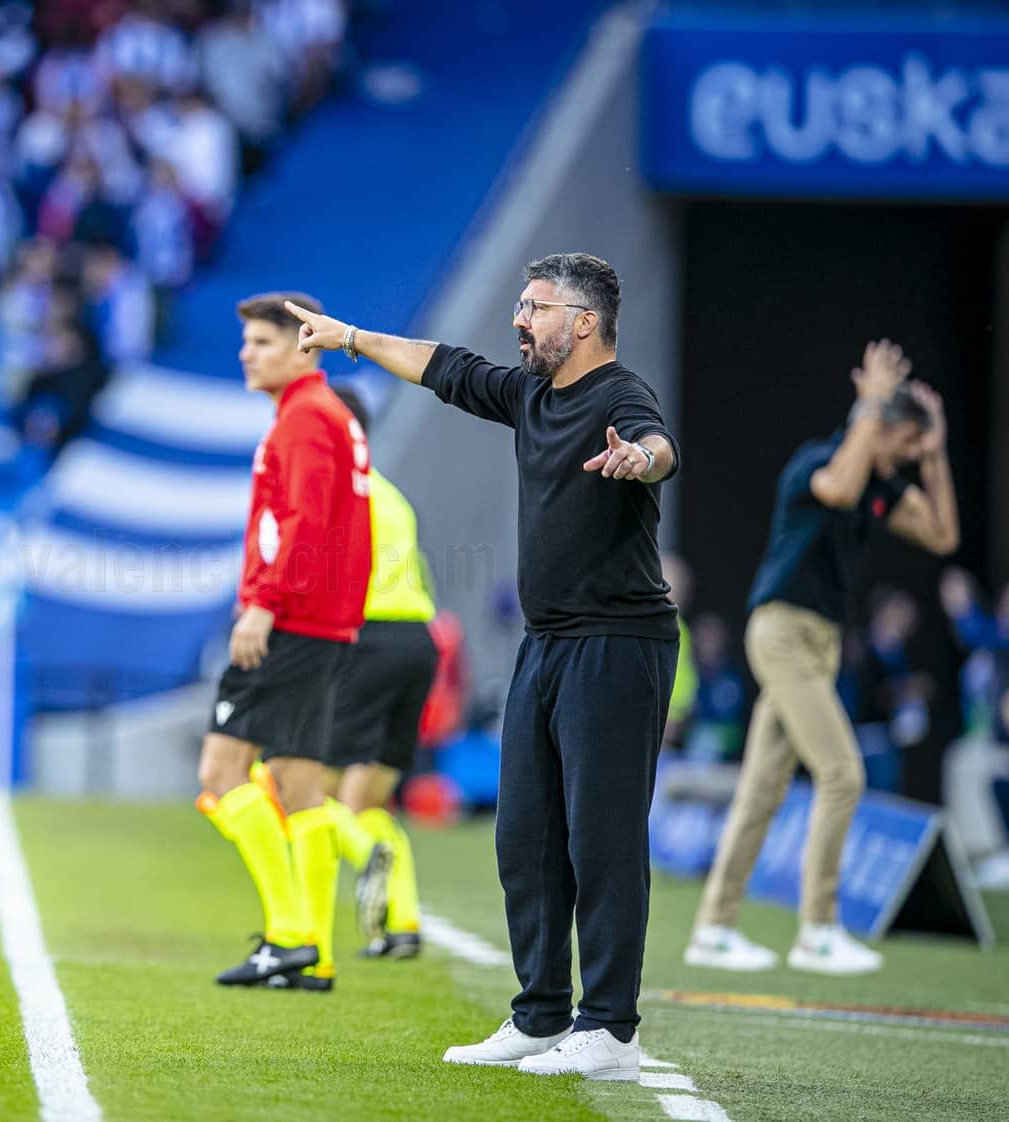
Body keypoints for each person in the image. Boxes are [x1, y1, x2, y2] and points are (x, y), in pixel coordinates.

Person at [287, 252, 679, 1079]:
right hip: (544, 643)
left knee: (601, 840)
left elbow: (657, 446)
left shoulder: (620, 395)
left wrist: (640, 461)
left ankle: (610, 1030)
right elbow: (443, 367)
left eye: (534, 307)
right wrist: (351, 337)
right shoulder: (531, 392)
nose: (518, 319)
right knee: (525, 835)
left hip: (618, 642)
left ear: (582, 323)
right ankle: (540, 1016)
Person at [687, 340, 959, 976]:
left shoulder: (882, 489)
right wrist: (870, 403)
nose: (911, 460)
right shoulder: (819, 462)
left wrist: (939, 445)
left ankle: (713, 929)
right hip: (782, 633)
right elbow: (839, 485)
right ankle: (818, 928)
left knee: (762, 789)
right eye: (908, 446)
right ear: (882, 427)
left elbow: (943, 534)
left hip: (820, 644)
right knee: (842, 773)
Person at [193, 292, 371, 993]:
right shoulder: (330, 417)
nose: (247, 353)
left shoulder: (302, 418)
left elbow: (302, 523)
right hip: (326, 621)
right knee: (299, 784)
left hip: (292, 618)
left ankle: (290, 935)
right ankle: (316, 952)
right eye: (246, 342)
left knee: (220, 774)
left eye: (262, 342)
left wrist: (261, 606)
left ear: (304, 346)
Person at [321, 386, 439, 962]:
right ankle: (405, 923)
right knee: (371, 798)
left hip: (365, 637)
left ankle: (363, 858)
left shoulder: (335, 491)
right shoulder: (391, 495)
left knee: (303, 786)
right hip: (417, 641)